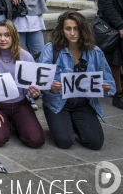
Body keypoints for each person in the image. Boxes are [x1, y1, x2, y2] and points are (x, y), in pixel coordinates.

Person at [38, 11, 115, 150]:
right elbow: (40, 81)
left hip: (84, 103)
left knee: (95, 143)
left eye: (76, 28)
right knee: (65, 141)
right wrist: (50, 86)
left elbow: (110, 82)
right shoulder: (51, 49)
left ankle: (73, 122)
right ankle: (61, 123)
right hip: (58, 103)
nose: (72, 33)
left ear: (83, 30)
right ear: (62, 30)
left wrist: (106, 88)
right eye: (68, 29)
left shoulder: (95, 52)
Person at [0, 20, 45, 148]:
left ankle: (16, 124)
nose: (2, 39)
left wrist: (34, 94)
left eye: (7, 35)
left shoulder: (26, 56)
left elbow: (30, 91)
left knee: (36, 140)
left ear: (14, 36)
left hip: (20, 104)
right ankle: (2, 126)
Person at [94, 0, 123, 109]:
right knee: (115, 61)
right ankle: (117, 94)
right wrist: (120, 25)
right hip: (113, 26)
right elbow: (106, 6)